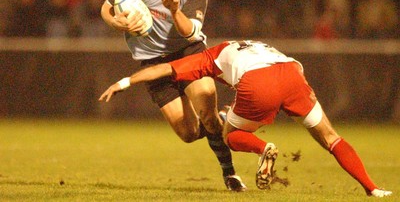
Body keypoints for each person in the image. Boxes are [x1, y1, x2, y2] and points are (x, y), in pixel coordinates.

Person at [99, 40, 392, 197]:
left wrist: (125, 81)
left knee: (230, 135)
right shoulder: (247, 43)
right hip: (291, 73)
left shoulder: (207, 58)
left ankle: (264, 148)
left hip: (258, 82)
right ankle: (372, 188)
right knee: (331, 138)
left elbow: (163, 71)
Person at [100, 0, 246, 191]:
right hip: (152, 62)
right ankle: (221, 118)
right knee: (188, 134)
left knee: (208, 118)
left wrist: (175, 9)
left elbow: (190, 33)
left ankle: (230, 173)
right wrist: (115, 22)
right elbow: (106, 6)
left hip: (188, 53)